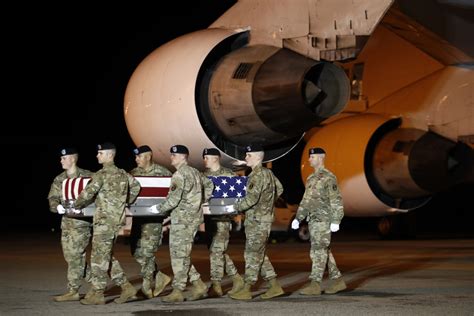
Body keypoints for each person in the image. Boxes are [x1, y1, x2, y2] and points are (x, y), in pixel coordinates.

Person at [74, 142, 141, 305]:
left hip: (104, 221)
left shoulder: (101, 175)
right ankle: (127, 288)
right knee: (106, 255)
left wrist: (75, 205)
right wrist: (125, 201)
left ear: (110, 155)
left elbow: (86, 194)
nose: (97, 156)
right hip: (116, 221)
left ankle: (98, 293)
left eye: (100, 153)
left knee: (98, 256)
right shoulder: (124, 174)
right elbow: (136, 187)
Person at [149, 145, 211, 302]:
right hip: (193, 218)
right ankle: (199, 285)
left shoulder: (179, 175)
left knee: (178, 256)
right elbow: (210, 185)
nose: (171, 158)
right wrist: (199, 200)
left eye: (174, 155)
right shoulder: (195, 172)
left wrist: (157, 209)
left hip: (183, 221)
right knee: (182, 255)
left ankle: (178, 290)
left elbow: (173, 200)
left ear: (183, 157)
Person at [229, 144, 285, 300]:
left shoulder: (256, 175)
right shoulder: (268, 173)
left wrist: (235, 208)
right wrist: (267, 204)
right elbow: (279, 189)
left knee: (252, 254)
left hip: (257, 221)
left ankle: (247, 288)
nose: (246, 157)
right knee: (260, 254)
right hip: (263, 219)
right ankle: (274, 286)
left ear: (257, 157)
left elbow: (251, 199)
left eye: (249, 155)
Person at [291, 147, 346, 295]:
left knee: (318, 251)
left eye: (312, 157)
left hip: (324, 220)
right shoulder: (310, 178)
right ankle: (338, 281)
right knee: (323, 251)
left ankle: (315, 284)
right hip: (313, 221)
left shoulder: (329, 178)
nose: (309, 160)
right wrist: (298, 217)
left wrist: (336, 220)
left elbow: (336, 200)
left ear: (321, 158)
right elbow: (305, 200)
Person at [48, 147, 94, 302]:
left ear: (73, 159)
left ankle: (73, 290)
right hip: (66, 223)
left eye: (64, 158)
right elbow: (52, 198)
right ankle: (96, 283)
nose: (61, 160)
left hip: (81, 223)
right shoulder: (59, 179)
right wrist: (56, 207)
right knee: (71, 257)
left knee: (75, 256)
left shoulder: (88, 176)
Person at [129, 145, 172, 298]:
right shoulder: (133, 173)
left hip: (153, 221)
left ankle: (147, 287)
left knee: (147, 253)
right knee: (135, 250)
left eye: (139, 157)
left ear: (148, 156)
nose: (136, 159)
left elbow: (170, 196)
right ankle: (159, 276)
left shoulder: (163, 173)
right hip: (138, 219)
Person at [201, 148, 244, 297]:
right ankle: (236, 278)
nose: (204, 160)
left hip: (223, 219)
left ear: (216, 158)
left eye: (207, 157)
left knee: (216, 251)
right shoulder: (204, 176)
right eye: (204, 157)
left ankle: (216, 284)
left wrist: (236, 213)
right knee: (216, 251)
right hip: (209, 219)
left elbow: (237, 196)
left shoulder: (228, 175)